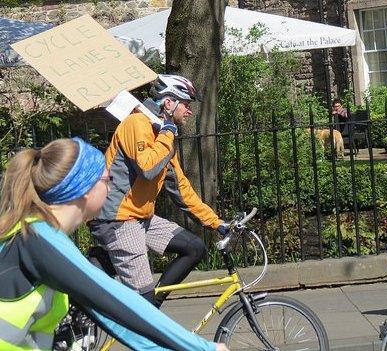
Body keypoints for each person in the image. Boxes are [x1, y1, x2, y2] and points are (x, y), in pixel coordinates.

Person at [0, 137, 228, 351]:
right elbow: (115, 300)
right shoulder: (37, 239)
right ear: (85, 189)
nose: (111, 186)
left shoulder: (39, 233)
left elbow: (109, 316)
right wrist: (201, 347)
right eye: (106, 179)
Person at [89, 74, 229, 308]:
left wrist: (216, 223)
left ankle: (112, 271)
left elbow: (181, 189)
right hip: (117, 219)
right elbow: (147, 168)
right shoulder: (136, 124)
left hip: (140, 218)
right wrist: (168, 133)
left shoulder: (160, 134)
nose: (189, 111)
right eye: (186, 104)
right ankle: (144, 313)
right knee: (142, 300)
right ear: (168, 103)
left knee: (194, 248)